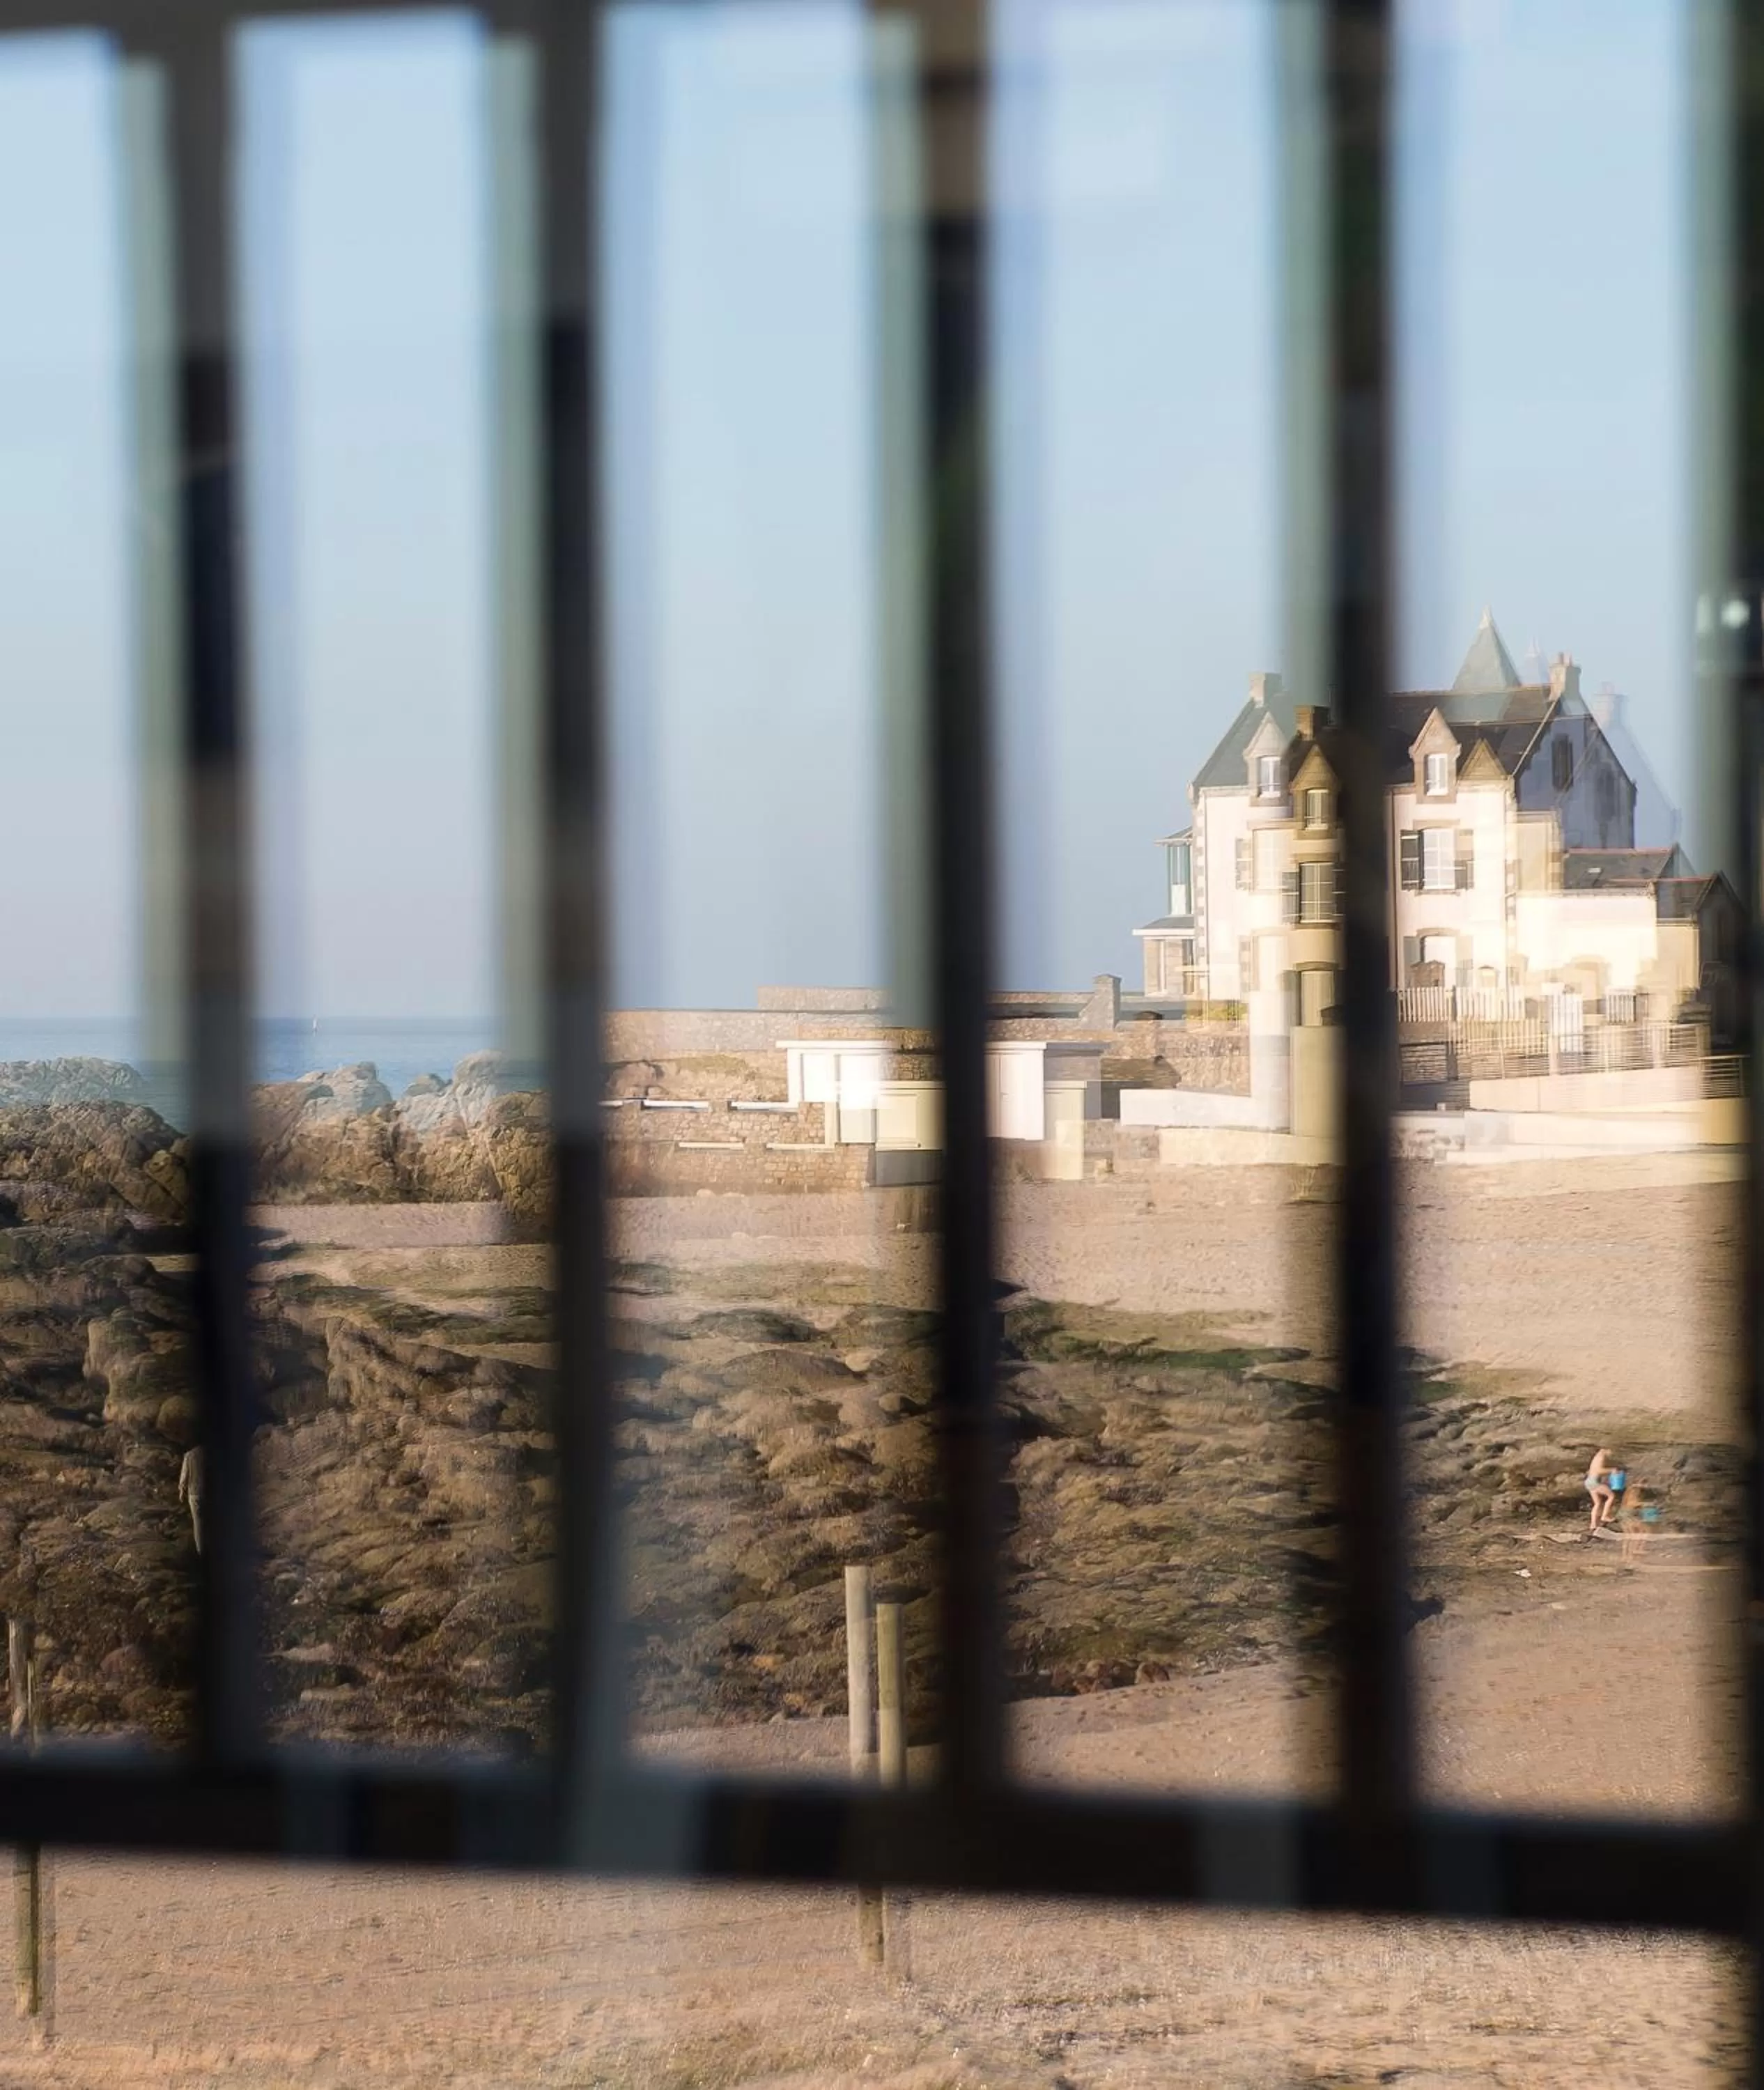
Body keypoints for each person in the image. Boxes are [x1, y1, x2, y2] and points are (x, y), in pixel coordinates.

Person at [1584, 1448, 1618, 1535]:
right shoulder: (1601, 1457)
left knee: (1598, 1503)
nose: (1612, 1454)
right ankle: (1604, 1516)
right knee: (1611, 1496)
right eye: (1612, 1451)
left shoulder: (1596, 1457)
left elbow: (1592, 1471)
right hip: (1594, 1482)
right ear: (1607, 1449)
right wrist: (1612, 1470)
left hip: (1589, 1482)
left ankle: (1593, 1525)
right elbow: (1599, 1470)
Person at [178, 1445, 205, 1555]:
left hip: (194, 1493)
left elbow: (184, 1475)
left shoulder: (189, 1455)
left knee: (197, 1523)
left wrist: (181, 1491)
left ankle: (200, 1550)